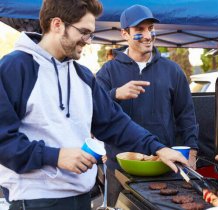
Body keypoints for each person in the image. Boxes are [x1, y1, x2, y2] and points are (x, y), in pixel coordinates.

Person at [0, 1, 188, 210]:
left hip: (82, 199)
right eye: (84, 32)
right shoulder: (14, 68)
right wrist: (55, 156)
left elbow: (116, 124)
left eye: (91, 34)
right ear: (57, 25)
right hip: (34, 201)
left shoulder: (83, 76)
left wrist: (158, 148)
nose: (88, 41)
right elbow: (3, 142)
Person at [95, 4, 199, 206]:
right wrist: (115, 94)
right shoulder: (107, 72)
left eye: (150, 28)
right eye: (139, 30)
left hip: (163, 166)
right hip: (119, 169)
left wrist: (192, 154)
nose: (148, 35)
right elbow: (94, 110)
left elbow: (186, 116)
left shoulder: (173, 71)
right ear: (125, 34)